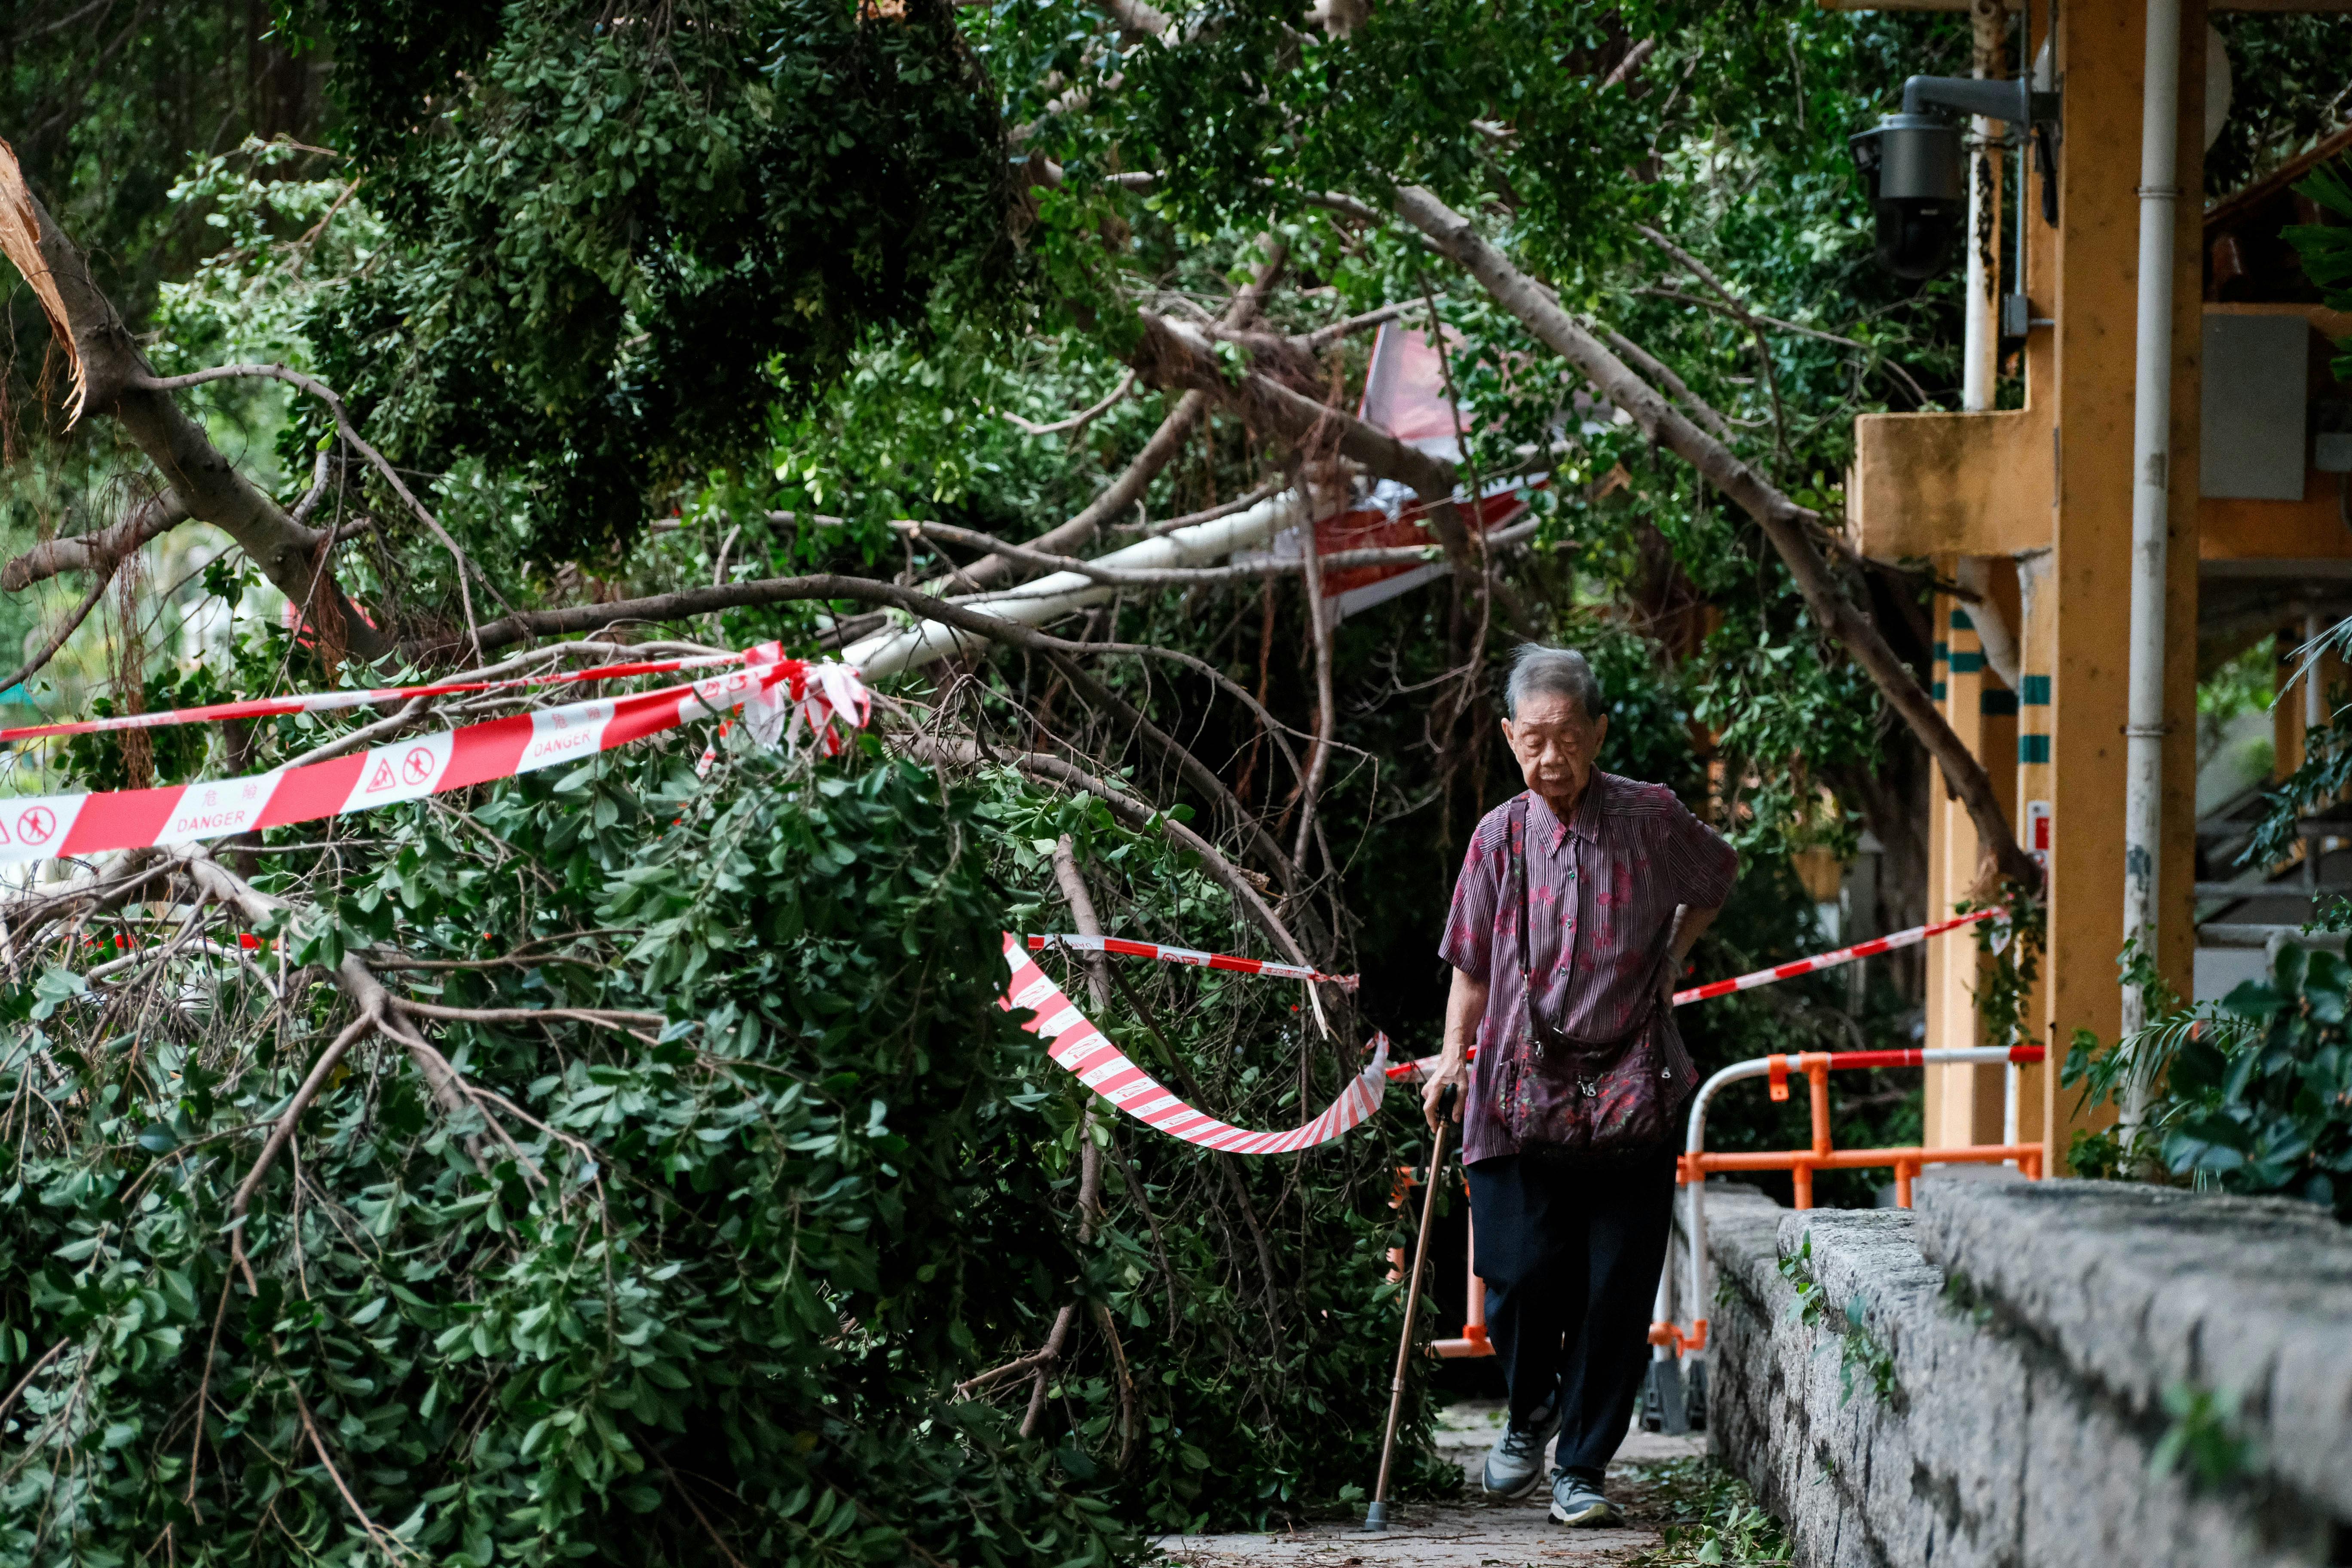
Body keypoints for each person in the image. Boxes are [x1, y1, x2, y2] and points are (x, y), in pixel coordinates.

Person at [1423, 644, 1736, 1528]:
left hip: (1630, 1087)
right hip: (1515, 1091)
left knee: (1615, 1286)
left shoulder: (1651, 817)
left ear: (1599, 732)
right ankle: (1529, 1413)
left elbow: (1717, 875)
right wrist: (1454, 1055)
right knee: (1515, 1271)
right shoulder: (1497, 836)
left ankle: (1581, 1468)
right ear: (1507, 738)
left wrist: (1672, 958)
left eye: (1568, 736)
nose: (1551, 757)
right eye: (1533, 739)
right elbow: (1472, 966)